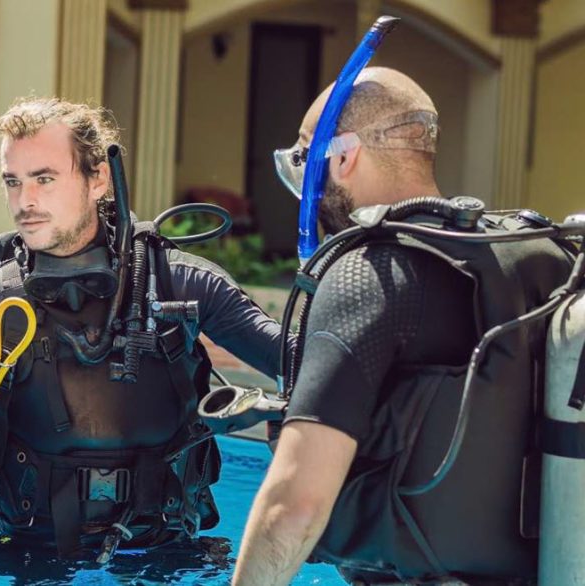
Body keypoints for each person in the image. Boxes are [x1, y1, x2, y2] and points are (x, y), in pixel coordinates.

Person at [0, 97, 292, 560]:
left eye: (44, 178)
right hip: (25, 560)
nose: (26, 201)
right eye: (13, 181)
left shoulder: (179, 284)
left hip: (164, 559)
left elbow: (305, 367)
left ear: (98, 178)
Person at [233, 67, 572, 585]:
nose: (301, 187)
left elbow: (293, 508)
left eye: (304, 161)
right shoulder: (538, 252)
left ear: (343, 157)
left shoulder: (368, 274)